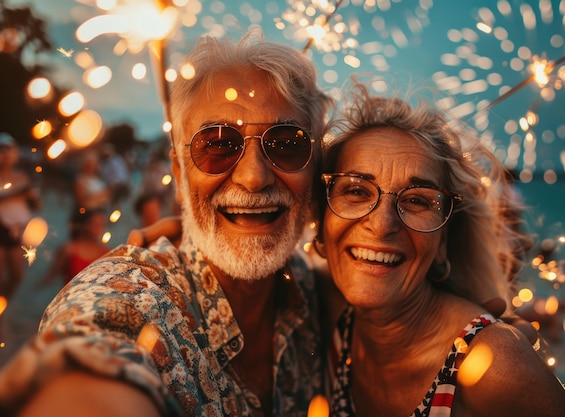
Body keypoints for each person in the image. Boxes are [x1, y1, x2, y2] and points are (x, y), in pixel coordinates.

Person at [0, 31, 332, 417]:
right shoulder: (133, 299)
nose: (254, 177)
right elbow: (95, 343)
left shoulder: (317, 295)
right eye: (219, 144)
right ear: (178, 170)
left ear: (316, 168)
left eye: (287, 144)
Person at [313, 80, 565, 416]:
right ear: (322, 223)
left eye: (416, 201)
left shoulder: (492, 365)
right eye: (356, 191)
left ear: (443, 241)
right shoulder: (319, 310)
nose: (381, 224)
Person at [0, 133, 41, 300]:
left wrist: (31, 196)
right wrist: (17, 195)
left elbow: (37, 205)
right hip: (1, 228)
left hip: (18, 231)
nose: (7, 155)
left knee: (17, 275)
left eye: (10, 150)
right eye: (3, 150)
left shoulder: (22, 176)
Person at [39, 208, 109, 287]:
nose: (99, 229)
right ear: (84, 225)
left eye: (102, 225)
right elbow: (50, 277)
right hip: (70, 297)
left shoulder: (106, 253)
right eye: (95, 224)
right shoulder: (69, 249)